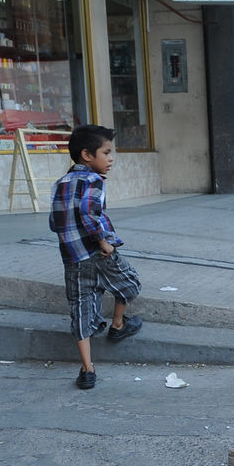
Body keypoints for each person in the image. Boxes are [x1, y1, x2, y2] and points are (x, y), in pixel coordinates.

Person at [49, 124, 143, 390]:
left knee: (80, 309)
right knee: (129, 283)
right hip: (98, 253)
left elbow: (55, 222)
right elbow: (89, 214)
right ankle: (118, 324)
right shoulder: (93, 180)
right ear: (87, 155)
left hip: (73, 258)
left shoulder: (60, 184)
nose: (111, 159)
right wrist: (103, 242)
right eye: (106, 152)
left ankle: (87, 369)